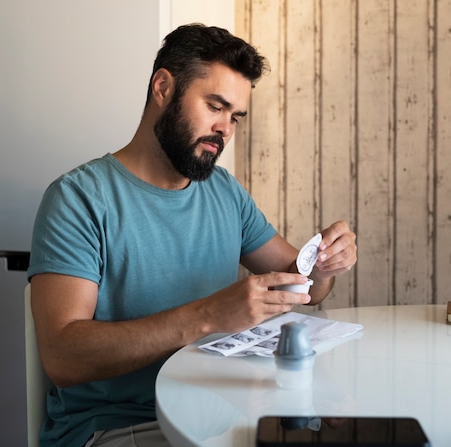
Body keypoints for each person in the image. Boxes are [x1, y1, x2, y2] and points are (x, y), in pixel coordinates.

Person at [27, 23, 357, 447]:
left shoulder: (224, 192)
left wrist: (325, 262)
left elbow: (303, 287)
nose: (226, 129)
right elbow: (62, 357)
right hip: (118, 424)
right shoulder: (78, 199)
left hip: (221, 414)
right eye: (215, 106)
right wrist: (207, 316)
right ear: (163, 86)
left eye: (235, 116)